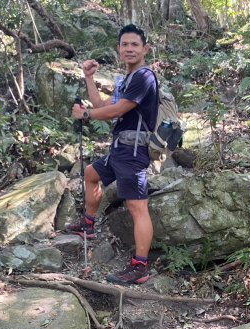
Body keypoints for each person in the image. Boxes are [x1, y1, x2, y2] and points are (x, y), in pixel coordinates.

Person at [69, 24, 158, 285]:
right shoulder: (126, 80)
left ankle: (140, 267)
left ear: (145, 49)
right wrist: (88, 78)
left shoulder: (144, 77)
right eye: (125, 45)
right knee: (90, 174)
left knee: (137, 206)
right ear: (119, 49)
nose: (129, 49)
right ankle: (88, 224)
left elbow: (118, 111)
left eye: (135, 45)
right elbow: (101, 106)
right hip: (119, 149)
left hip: (133, 151)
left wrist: (86, 115)